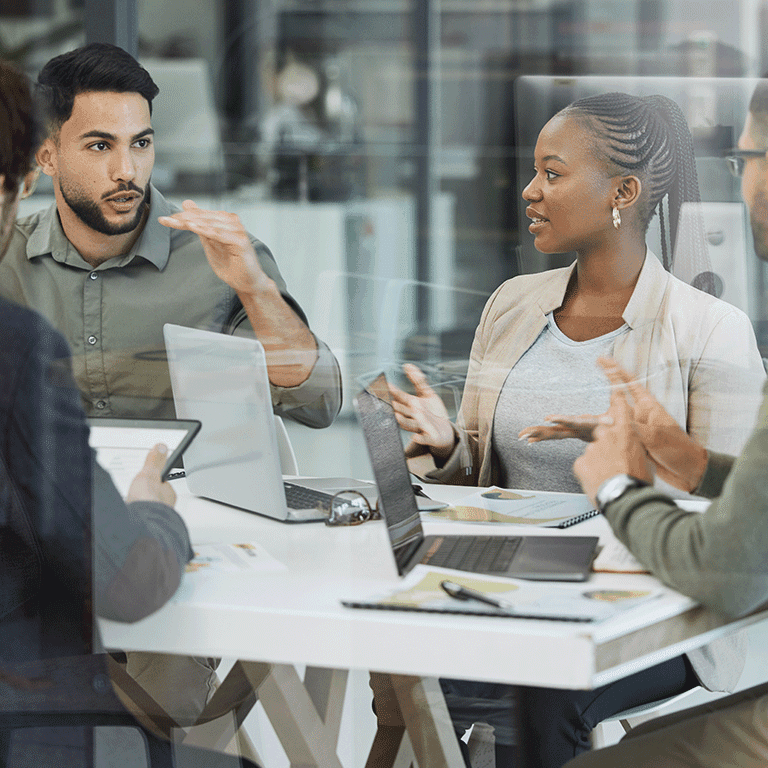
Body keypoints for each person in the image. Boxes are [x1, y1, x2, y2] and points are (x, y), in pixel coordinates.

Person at [387, 92, 766, 767]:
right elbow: (484, 479)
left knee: (545, 689)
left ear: (622, 191)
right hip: (508, 588)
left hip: (658, 611)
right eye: (533, 172)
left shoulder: (712, 328)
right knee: (401, 663)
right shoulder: (511, 305)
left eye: (553, 174)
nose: (530, 191)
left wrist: (633, 472)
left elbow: (733, 522)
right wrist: (445, 449)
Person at [1, 42, 341, 730]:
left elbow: (318, 399)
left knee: (164, 706)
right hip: (40, 557)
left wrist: (255, 286)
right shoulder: (8, 253)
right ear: (45, 155)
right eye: (99, 146)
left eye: (141, 143)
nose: (127, 170)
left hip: (176, 556)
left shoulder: (213, 258)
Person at [564, 76, 768, 768]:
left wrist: (620, 489)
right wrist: (697, 463)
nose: (743, 185)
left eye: (748, 160)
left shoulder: (711, 325)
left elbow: (731, 569)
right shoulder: (513, 304)